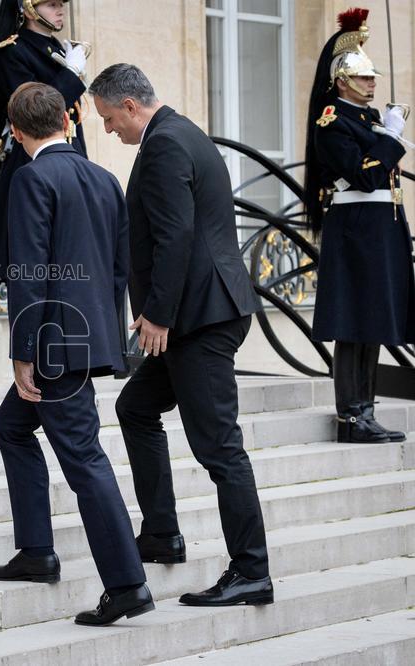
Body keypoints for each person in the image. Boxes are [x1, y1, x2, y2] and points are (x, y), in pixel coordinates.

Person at [90, 64, 272, 606]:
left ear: (128, 105)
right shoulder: (179, 132)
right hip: (195, 316)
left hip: (200, 320)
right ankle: (163, 535)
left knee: (220, 448)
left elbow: (175, 236)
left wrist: (158, 315)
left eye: (106, 118)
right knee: (136, 408)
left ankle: (252, 571)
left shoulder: (167, 144)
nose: (106, 131)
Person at [0, 81, 153, 627]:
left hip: (55, 346)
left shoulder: (33, 177)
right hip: (86, 338)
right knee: (12, 427)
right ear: (67, 120)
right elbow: (117, 270)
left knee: (84, 460)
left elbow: (29, 272)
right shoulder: (105, 178)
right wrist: (107, 340)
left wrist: (24, 349)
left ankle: (127, 584)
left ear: (15, 131)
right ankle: (37, 550)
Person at [304, 8, 412, 443]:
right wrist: (391, 139)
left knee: (373, 323)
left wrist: (384, 134)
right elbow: (366, 176)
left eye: (372, 78)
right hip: (355, 231)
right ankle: (350, 416)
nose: (372, 83)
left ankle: (366, 410)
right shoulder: (332, 122)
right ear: (342, 81)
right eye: (364, 78)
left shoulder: (365, 119)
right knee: (354, 324)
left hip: (378, 230)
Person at [0, 0, 90, 285]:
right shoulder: (13, 51)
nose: (59, 10)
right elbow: (39, 112)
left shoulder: (56, 50)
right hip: (35, 160)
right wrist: (71, 74)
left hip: (71, 153)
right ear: (29, 8)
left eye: (60, 4)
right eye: (51, 4)